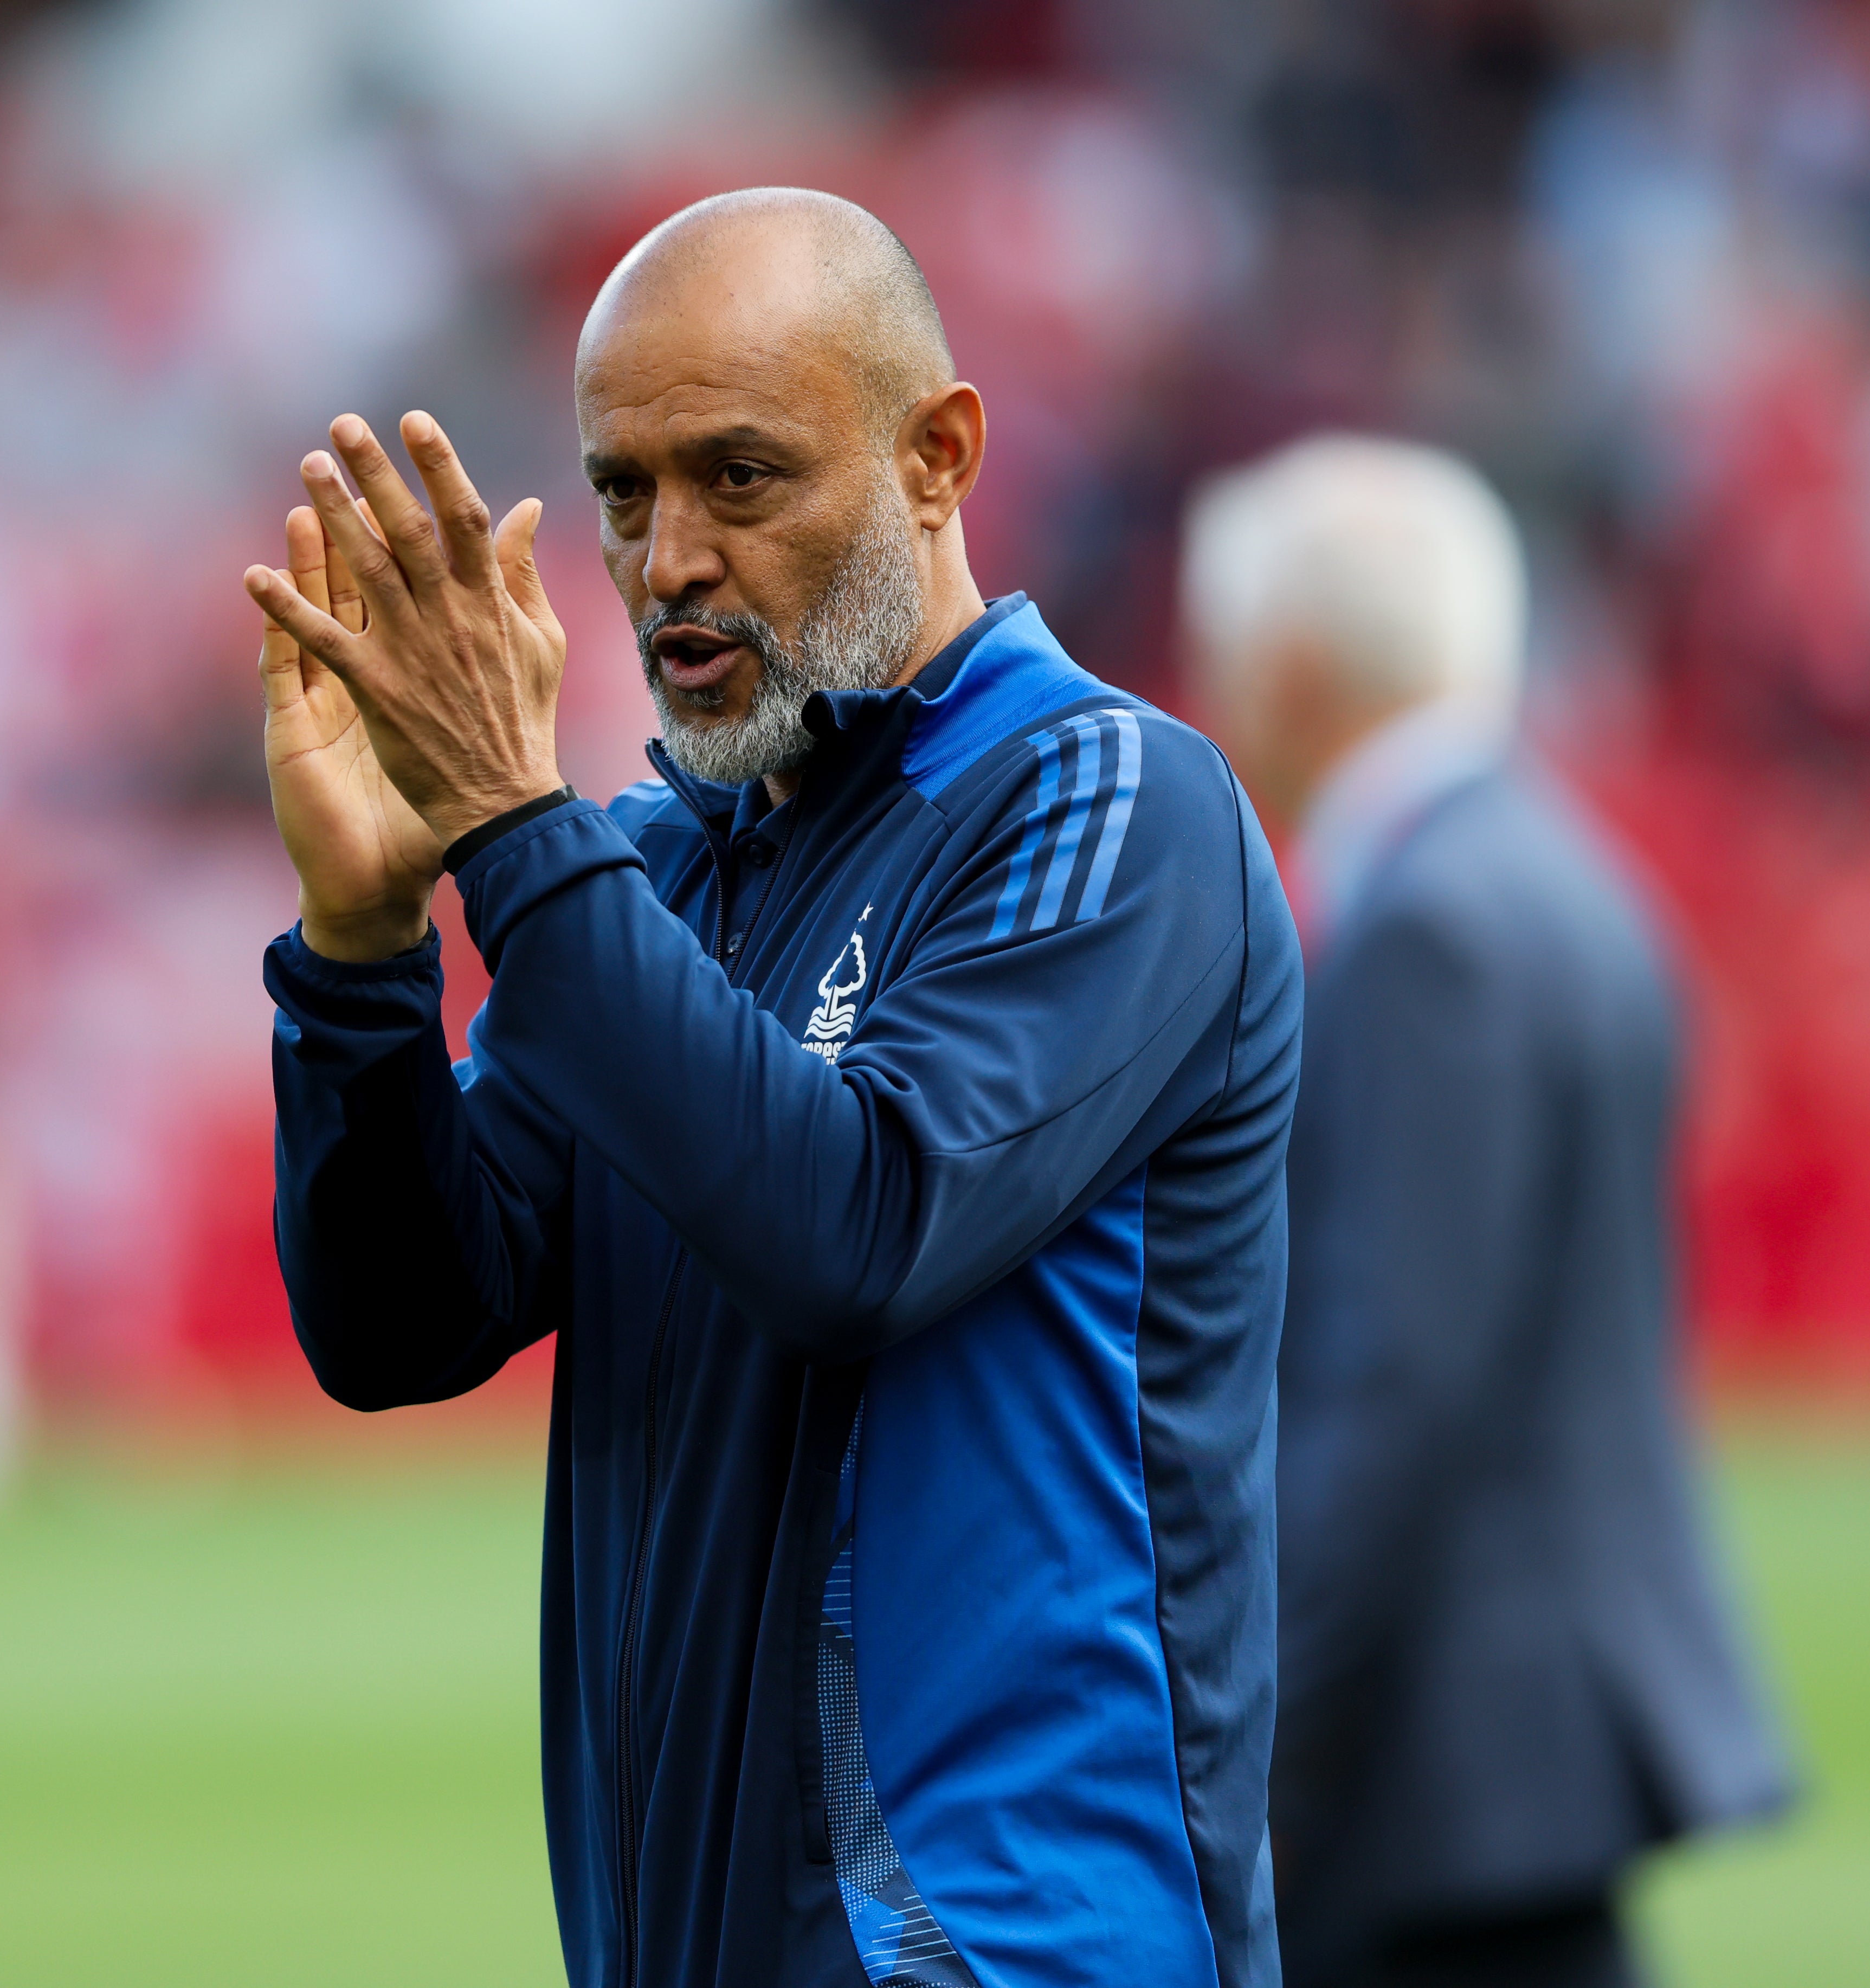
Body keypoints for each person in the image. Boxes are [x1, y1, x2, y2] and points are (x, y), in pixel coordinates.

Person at [244, 189, 1301, 1988]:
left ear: (938, 456)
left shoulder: (1113, 802)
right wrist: (360, 949)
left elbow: (857, 1225)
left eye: (741, 478)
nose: (667, 563)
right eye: (624, 492)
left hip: (1001, 1955)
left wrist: (513, 825)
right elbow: (405, 1318)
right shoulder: (658, 872)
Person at [1185, 438, 1794, 1988]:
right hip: (1526, 1730)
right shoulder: (1565, 881)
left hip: (1439, 1748)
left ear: (1293, 662)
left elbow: (1393, 1381)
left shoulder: (1427, 929)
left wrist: (1255, 1734)